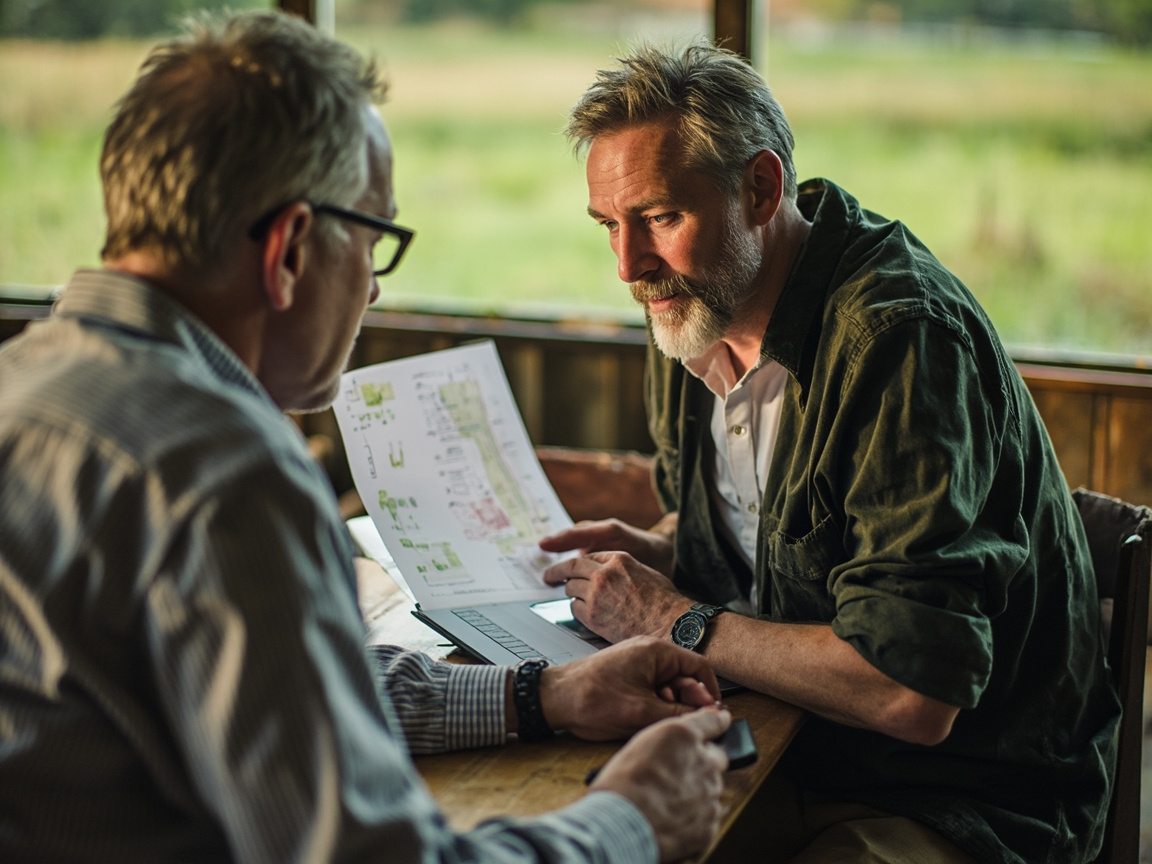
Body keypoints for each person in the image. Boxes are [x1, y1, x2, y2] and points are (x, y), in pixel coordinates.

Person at [0, 14, 733, 864]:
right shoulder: (222, 476)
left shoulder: (27, 387)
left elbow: (278, 698)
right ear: (290, 250)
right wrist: (629, 819)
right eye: (376, 242)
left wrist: (543, 693)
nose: (374, 294)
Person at [540, 40, 1120, 864]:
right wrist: (673, 548)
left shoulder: (901, 340)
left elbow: (913, 693)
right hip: (786, 746)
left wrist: (672, 617)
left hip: (957, 798)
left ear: (762, 188)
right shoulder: (689, 304)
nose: (629, 265)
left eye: (662, 217)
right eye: (610, 226)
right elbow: (788, 537)